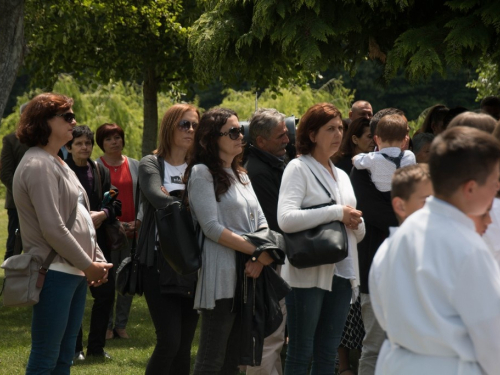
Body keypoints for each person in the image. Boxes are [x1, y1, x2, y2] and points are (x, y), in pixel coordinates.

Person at [370, 126, 500, 375]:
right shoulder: (468, 247)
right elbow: (493, 341)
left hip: (397, 363)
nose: (497, 189)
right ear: (470, 188)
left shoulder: (399, 236)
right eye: (495, 182)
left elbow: (383, 309)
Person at [13, 93, 112, 374]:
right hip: (54, 271)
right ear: (44, 121)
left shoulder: (57, 161)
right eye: (67, 116)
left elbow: (79, 216)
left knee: (64, 355)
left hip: (73, 270)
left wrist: (96, 260)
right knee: (47, 355)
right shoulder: (37, 164)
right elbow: (53, 227)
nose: (75, 121)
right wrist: (88, 265)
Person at [277, 103, 365, 374]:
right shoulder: (298, 167)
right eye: (330, 129)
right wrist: (338, 212)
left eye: (340, 128)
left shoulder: (342, 175)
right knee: (301, 351)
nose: (338, 133)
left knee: (328, 354)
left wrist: (356, 224)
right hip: (308, 273)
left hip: (342, 270)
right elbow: (286, 219)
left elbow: (351, 229)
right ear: (312, 135)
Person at [185, 108, 273, 374]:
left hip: (248, 276)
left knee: (235, 360)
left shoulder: (242, 175)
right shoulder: (202, 173)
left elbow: (263, 223)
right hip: (220, 276)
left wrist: (258, 258)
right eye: (233, 132)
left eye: (241, 130)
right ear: (211, 138)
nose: (240, 136)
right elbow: (211, 227)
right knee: (211, 358)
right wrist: (257, 252)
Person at [137, 104, 200, 374]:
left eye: (195, 125)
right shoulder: (151, 163)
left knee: (185, 345)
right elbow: (155, 195)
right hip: (159, 262)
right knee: (169, 341)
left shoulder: (199, 167)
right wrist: (187, 202)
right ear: (168, 127)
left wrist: (173, 198)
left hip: (194, 261)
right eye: (184, 124)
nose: (191, 130)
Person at [65, 125, 121, 360]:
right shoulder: (62, 170)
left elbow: (114, 203)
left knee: (106, 294)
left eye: (88, 143)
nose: (84, 147)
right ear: (69, 147)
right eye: (79, 143)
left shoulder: (99, 170)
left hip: (99, 243)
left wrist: (103, 215)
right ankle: (75, 349)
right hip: (70, 243)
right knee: (73, 296)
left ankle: (96, 348)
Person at [245, 108, 289, 375]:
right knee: (269, 335)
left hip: (269, 258)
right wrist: (265, 258)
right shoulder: (259, 172)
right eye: (281, 135)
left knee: (274, 335)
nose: (288, 138)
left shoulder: (271, 164)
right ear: (260, 141)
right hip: (266, 261)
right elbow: (271, 224)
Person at [95, 123, 142, 340]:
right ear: (101, 143)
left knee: (127, 278)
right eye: (109, 139)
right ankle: (107, 325)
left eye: (117, 137)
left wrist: (138, 221)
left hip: (134, 231)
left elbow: (144, 197)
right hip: (109, 232)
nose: (115, 142)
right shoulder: (96, 167)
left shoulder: (135, 165)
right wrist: (117, 223)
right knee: (108, 279)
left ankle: (121, 325)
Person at [353, 114, 416, 194]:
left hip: (380, 197)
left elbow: (356, 161)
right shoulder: (409, 156)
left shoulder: (373, 158)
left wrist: (359, 156)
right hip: (404, 195)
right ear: (404, 141)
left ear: (376, 139)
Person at [1, 130, 29, 260]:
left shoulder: (45, 138)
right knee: (15, 245)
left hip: (41, 201)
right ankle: (11, 278)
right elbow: (5, 173)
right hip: (17, 203)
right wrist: (24, 194)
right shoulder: (11, 139)